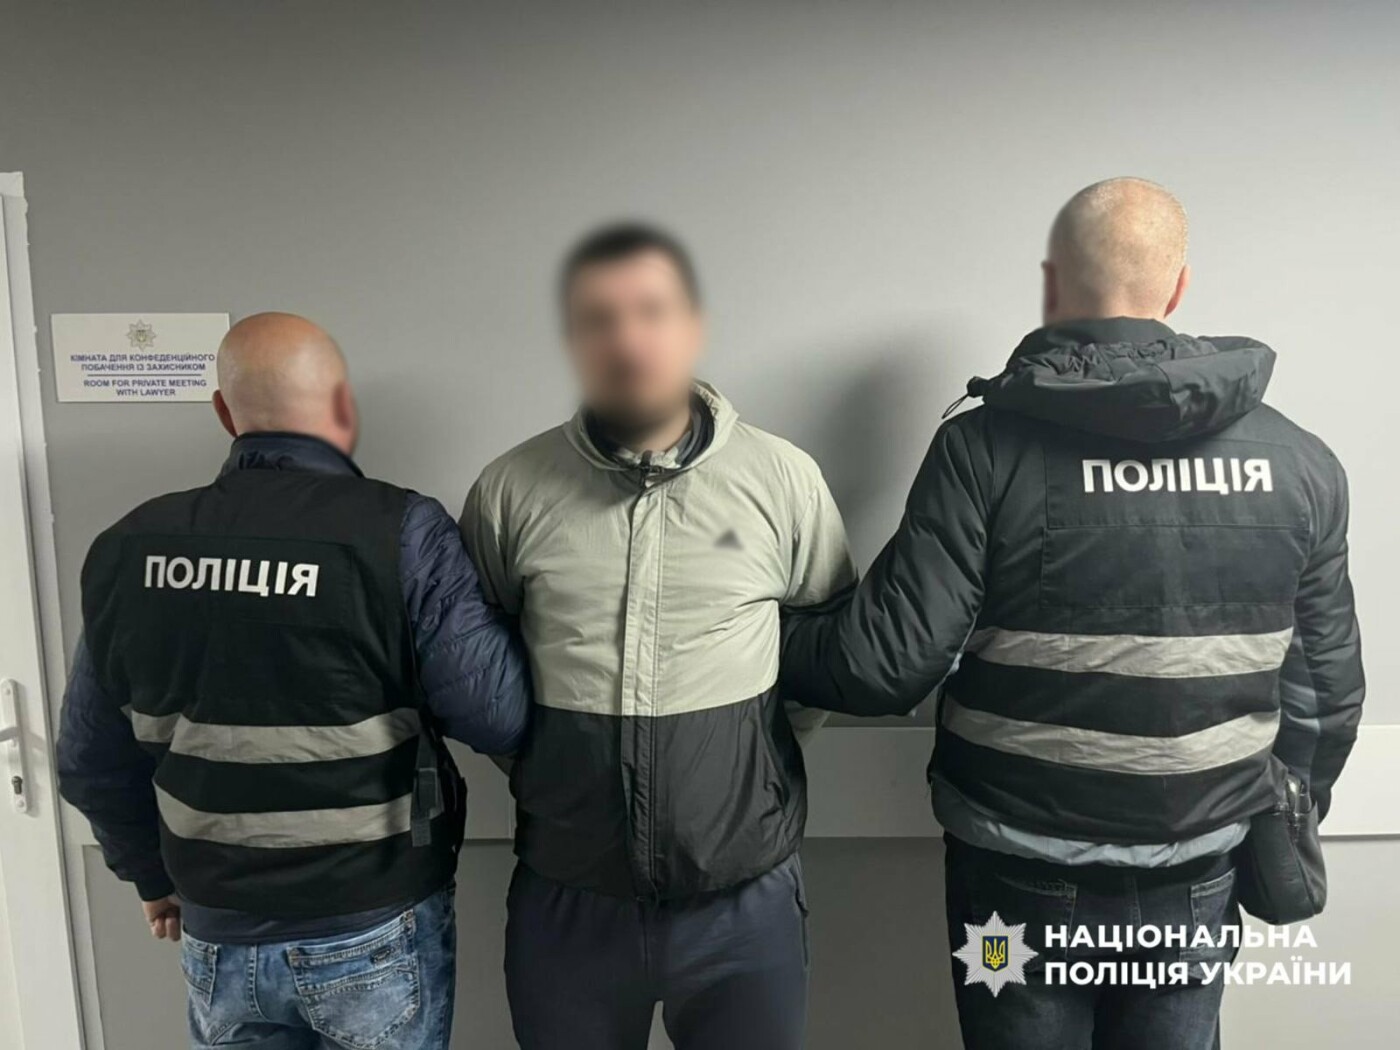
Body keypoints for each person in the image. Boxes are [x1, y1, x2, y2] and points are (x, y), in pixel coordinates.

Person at [781, 178, 1365, 1050]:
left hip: (1012, 880)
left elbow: (882, 666)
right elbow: (1328, 696)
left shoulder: (983, 450)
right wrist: (1278, 815)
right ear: (1178, 287)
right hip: (1199, 872)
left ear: (1053, 286)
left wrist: (753, 636)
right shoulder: (1300, 464)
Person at [58, 312, 531, 1050]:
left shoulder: (128, 547)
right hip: (373, 922)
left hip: (217, 930)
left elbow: (87, 759)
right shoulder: (400, 530)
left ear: (225, 413)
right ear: (343, 405)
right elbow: (494, 715)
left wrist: (150, 876)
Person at [460, 222, 855, 1050]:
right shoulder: (509, 490)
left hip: (743, 904)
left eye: (651, 311)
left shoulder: (783, 480)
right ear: (575, 340)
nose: (628, 339)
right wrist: (552, 765)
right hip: (568, 901)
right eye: (599, 319)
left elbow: (821, 659)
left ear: (692, 326)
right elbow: (479, 674)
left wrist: (745, 767)